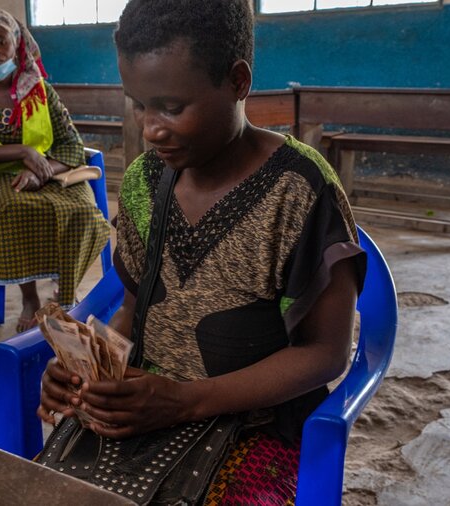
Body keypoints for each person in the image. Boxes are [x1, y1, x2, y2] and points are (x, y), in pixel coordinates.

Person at [38, 0, 366, 502]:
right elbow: (133, 308)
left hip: (257, 421)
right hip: (148, 405)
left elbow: (325, 353)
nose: (151, 128)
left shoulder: (299, 191)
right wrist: (88, 371)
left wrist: (187, 402)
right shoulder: (147, 182)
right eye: (139, 104)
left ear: (237, 82)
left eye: (171, 107)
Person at [0, 7, 110, 333]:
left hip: (51, 171)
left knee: (84, 211)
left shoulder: (40, 88)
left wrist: (40, 170)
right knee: (13, 211)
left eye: (1, 41)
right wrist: (23, 152)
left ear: (17, 43)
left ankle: (66, 293)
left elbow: (71, 144)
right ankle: (30, 297)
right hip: (1, 172)